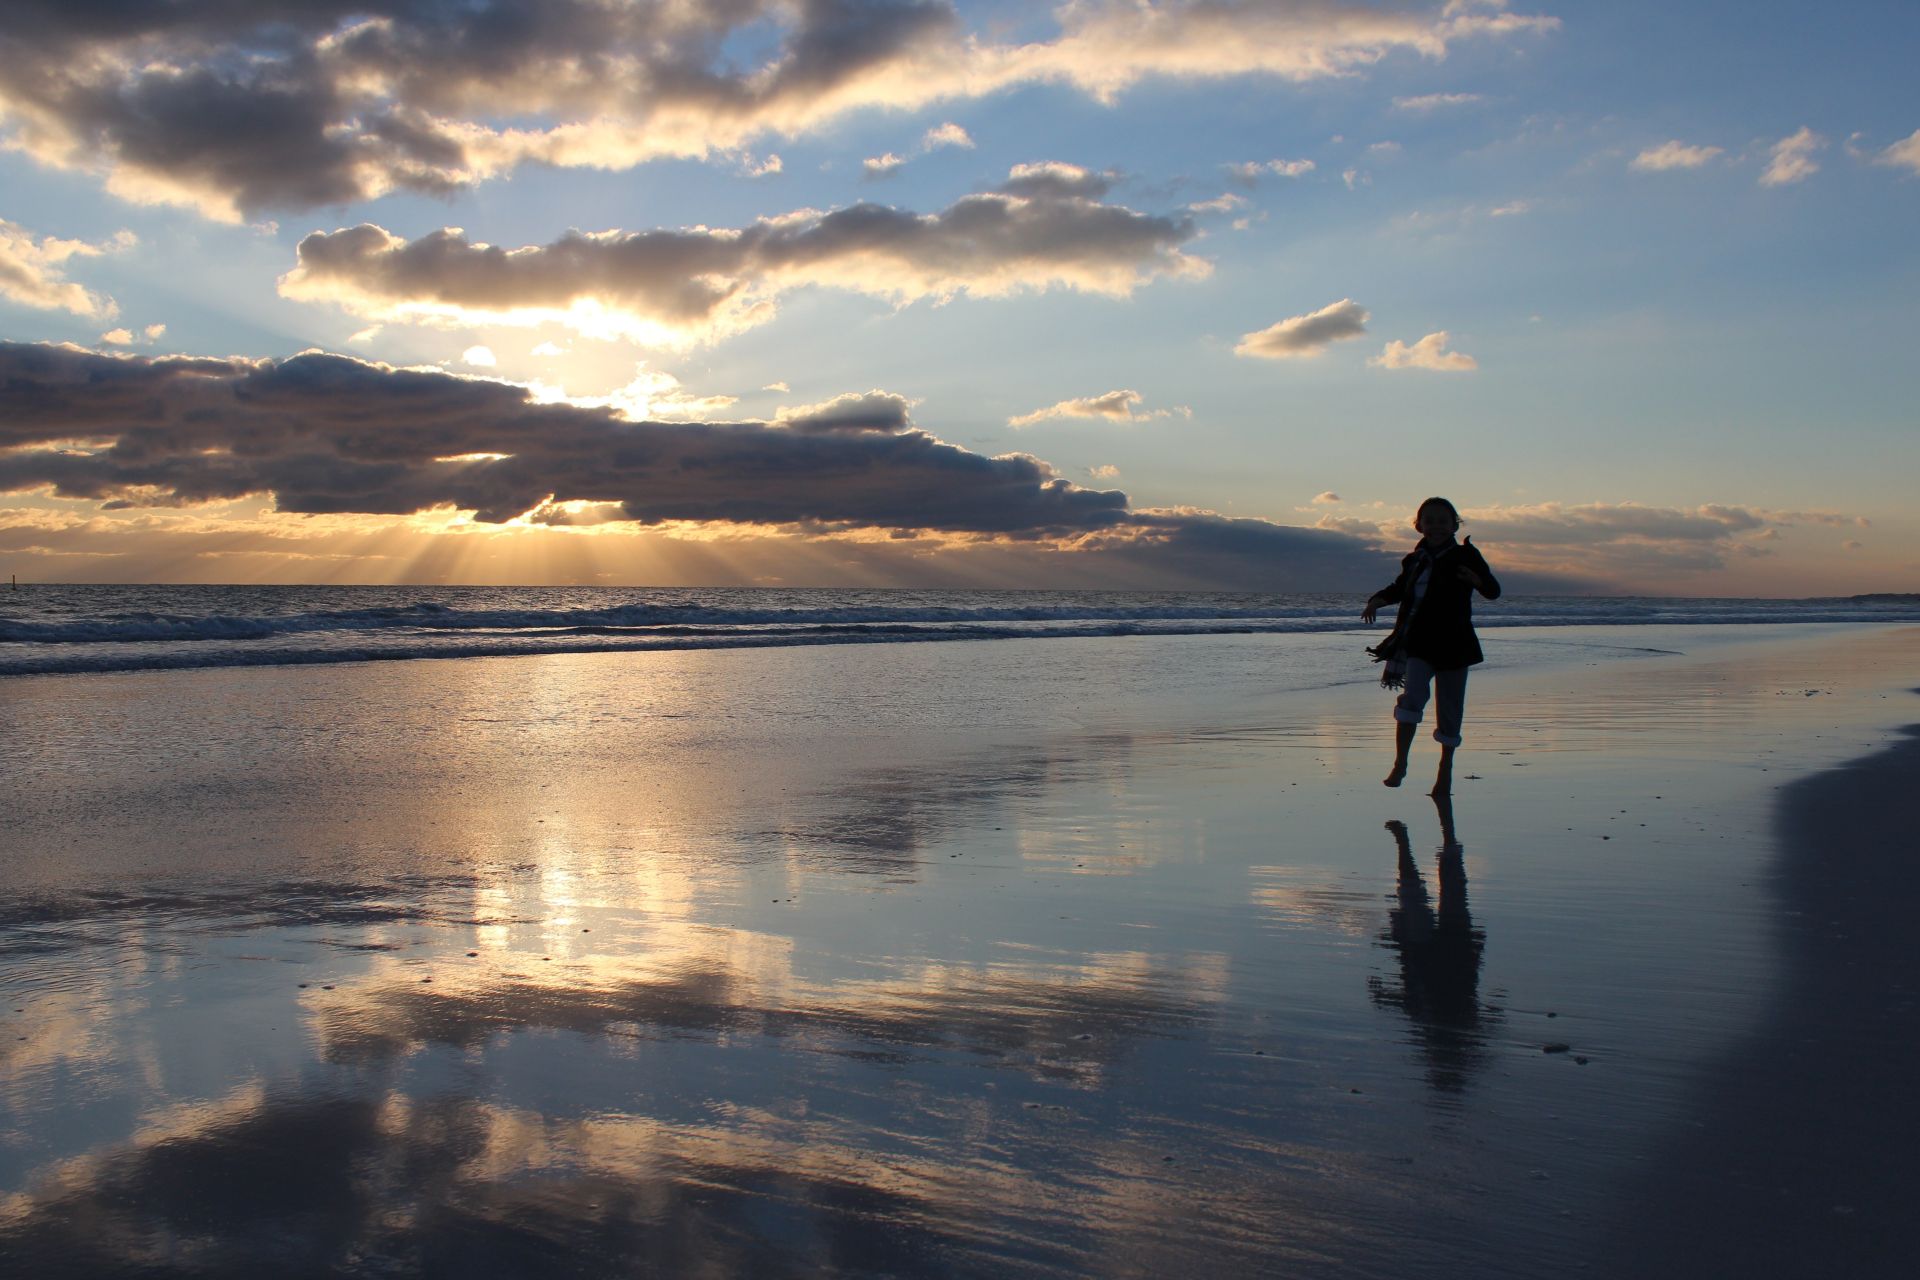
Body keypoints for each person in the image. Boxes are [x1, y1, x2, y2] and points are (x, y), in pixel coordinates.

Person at [1360, 497, 1500, 794]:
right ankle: (1401, 763)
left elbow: (1493, 590)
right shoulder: (1414, 560)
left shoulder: (1466, 555)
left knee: (1449, 710)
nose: (1436, 525)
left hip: (1455, 644)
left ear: (1454, 525)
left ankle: (1444, 769)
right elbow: (1399, 589)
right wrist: (1376, 600)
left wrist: (1476, 579)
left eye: (1442, 520)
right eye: (1429, 520)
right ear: (1419, 525)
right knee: (1412, 699)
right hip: (1419, 642)